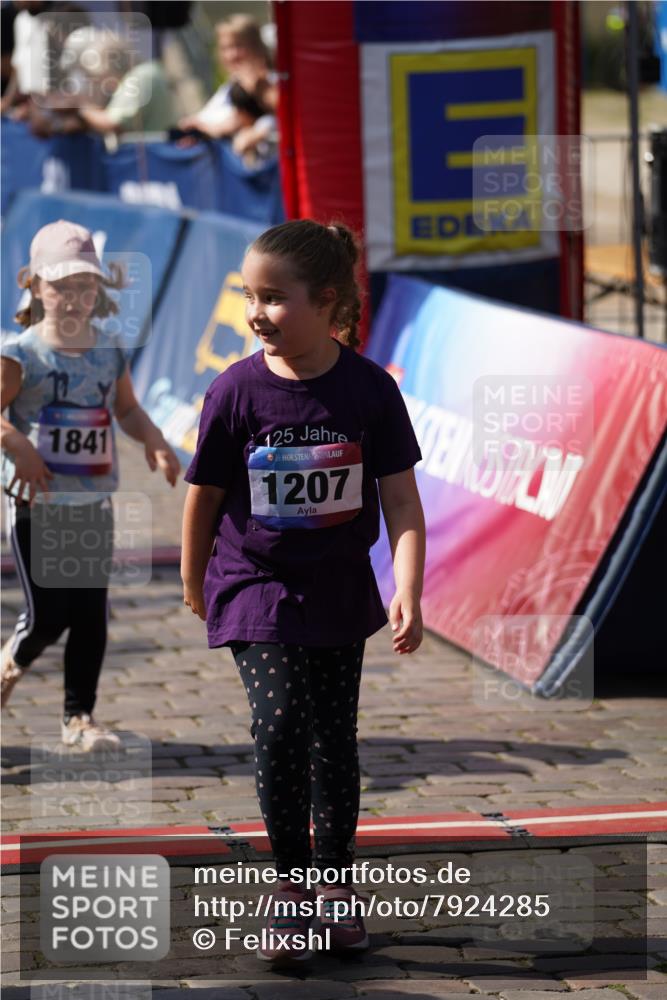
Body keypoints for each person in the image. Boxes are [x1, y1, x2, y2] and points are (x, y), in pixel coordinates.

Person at [181, 219, 425, 965]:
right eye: (249, 296)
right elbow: (204, 494)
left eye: (273, 298)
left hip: (338, 588)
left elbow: (402, 504)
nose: (255, 313)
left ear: (328, 304)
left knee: (331, 738)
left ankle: (334, 884)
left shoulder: (369, 392)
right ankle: (289, 889)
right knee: (281, 721)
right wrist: (196, 580)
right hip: (253, 582)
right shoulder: (235, 390)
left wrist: (407, 585)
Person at [0, 220, 180, 749]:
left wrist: (155, 440)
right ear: (33, 285)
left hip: (92, 503)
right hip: (38, 503)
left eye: (85, 286)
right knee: (48, 616)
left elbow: (125, 408)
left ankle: (79, 717)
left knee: (90, 614)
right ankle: (9, 665)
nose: (74, 299)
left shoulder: (108, 349)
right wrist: (20, 446)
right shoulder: (22, 354)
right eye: (61, 287)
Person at [178, 14, 277, 160]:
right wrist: (195, 128)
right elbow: (213, 118)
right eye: (225, 48)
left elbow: (281, 117)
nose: (232, 55)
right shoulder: (230, 88)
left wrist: (260, 130)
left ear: (256, 46)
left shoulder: (273, 82)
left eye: (238, 46)